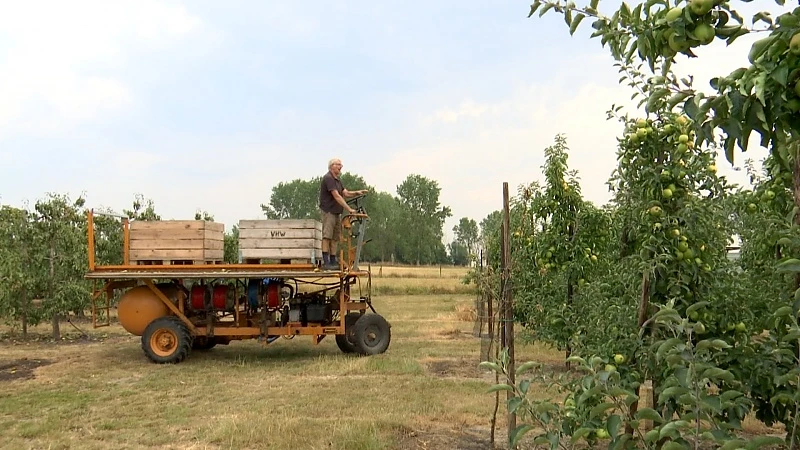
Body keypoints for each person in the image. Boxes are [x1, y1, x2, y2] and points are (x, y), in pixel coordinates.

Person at [318, 158, 367, 269]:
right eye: (339, 165)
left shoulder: (338, 181)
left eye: (341, 165)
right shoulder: (328, 178)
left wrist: (357, 192)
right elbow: (337, 196)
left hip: (336, 213)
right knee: (327, 236)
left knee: (335, 238)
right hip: (329, 212)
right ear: (332, 166)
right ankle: (326, 262)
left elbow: (345, 193)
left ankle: (333, 261)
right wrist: (349, 209)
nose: (341, 167)